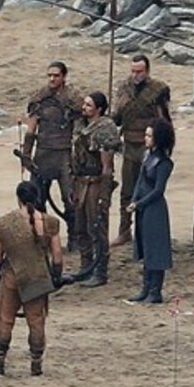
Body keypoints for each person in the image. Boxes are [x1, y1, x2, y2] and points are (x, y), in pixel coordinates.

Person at [0, 181, 63, 376]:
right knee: (36, 320)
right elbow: (57, 256)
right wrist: (56, 277)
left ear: (18, 198)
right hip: (37, 277)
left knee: (5, 319)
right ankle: (36, 363)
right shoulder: (50, 222)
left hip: (12, 276)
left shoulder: (5, 224)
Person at [111, 55, 171, 247]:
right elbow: (117, 118)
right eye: (133, 71)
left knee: (149, 191)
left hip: (149, 148)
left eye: (140, 71)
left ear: (147, 71)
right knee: (127, 191)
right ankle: (124, 230)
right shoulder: (124, 89)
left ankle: (146, 230)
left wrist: (163, 147)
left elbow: (164, 121)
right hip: (129, 145)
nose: (136, 75)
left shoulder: (157, 90)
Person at [20, 61, 84, 229]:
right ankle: (43, 234)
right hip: (43, 153)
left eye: (56, 75)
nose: (52, 79)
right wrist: (26, 155)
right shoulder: (40, 97)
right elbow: (31, 128)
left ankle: (74, 234)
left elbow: (79, 128)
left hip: (65, 153)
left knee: (70, 197)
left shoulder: (74, 98)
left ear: (64, 76)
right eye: (49, 75)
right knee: (37, 198)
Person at [68, 91, 121, 287]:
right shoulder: (81, 125)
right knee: (80, 227)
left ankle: (100, 271)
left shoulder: (105, 129)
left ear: (98, 109)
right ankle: (86, 266)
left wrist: (104, 195)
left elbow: (107, 167)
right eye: (84, 104)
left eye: (89, 105)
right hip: (80, 181)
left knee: (97, 227)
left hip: (96, 183)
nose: (84, 108)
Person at [127, 119, 175, 304]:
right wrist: (134, 200)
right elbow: (140, 181)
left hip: (154, 209)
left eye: (149, 135)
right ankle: (146, 287)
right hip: (143, 207)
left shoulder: (163, 162)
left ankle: (155, 290)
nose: (145, 139)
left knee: (156, 249)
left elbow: (158, 190)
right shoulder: (148, 157)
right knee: (146, 248)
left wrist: (139, 203)